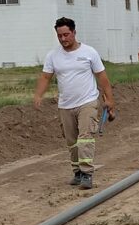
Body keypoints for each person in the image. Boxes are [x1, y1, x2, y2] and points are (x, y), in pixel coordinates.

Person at [33, 17, 115, 190]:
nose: (63, 39)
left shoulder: (89, 52)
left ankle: (87, 174)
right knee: (72, 141)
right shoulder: (53, 56)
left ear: (74, 33)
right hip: (65, 105)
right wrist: (38, 95)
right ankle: (77, 172)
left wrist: (109, 99)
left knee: (85, 138)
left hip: (87, 102)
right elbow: (45, 77)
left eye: (66, 35)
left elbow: (102, 77)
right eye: (60, 36)